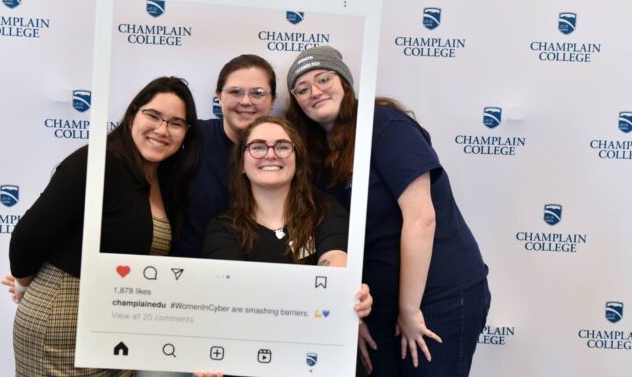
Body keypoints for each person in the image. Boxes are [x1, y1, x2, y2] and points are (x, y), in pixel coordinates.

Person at [285, 46, 490, 377]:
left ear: (347, 84)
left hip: (437, 298)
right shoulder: (318, 157)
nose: (315, 91)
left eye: (324, 78)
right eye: (302, 88)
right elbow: (341, 237)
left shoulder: (384, 124)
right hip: (379, 306)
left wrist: (410, 311)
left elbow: (421, 217)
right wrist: (356, 314)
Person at [6, 77, 204, 376]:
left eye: (176, 123)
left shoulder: (164, 179)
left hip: (116, 329)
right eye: (153, 115)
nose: (162, 130)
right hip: (65, 322)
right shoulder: (98, 162)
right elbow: (28, 235)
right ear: (133, 114)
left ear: (186, 133)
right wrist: (23, 284)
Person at [201, 116, 371, 316]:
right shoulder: (223, 229)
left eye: (282, 147)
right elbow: (227, 297)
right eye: (257, 147)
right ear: (242, 166)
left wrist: (348, 294)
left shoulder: (326, 211)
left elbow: (335, 260)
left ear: (297, 162)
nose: (271, 155)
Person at [175, 54, 278, 258]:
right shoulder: (191, 137)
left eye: (258, 93)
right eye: (235, 92)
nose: (246, 101)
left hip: (261, 278)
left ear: (273, 100)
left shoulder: (288, 151)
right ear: (219, 96)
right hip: (186, 273)